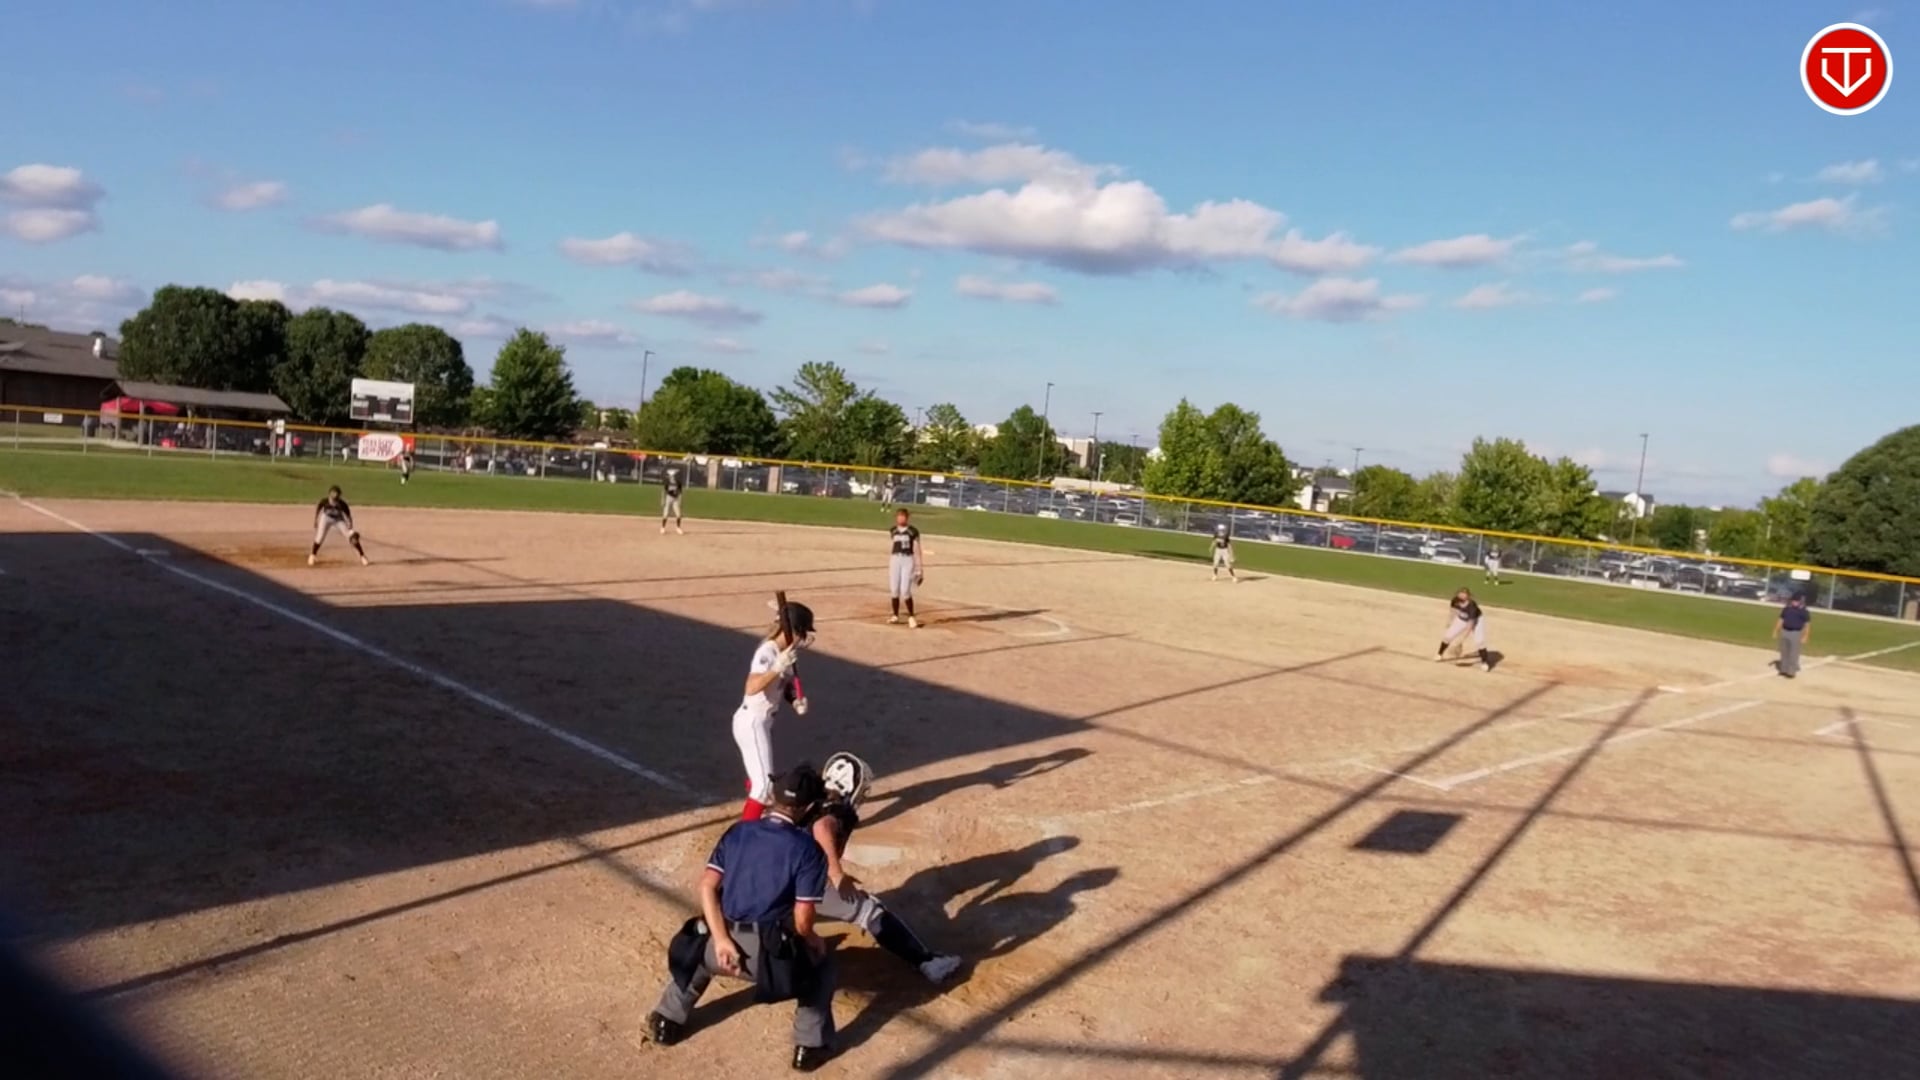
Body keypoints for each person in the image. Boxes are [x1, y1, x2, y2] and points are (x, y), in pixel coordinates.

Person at [648, 765, 839, 1073]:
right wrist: (814, 940)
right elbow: (803, 920)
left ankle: (665, 1021)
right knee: (822, 967)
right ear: (808, 808)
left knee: (695, 950)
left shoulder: (739, 831)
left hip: (718, 952)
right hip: (768, 961)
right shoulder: (809, 851)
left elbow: (707, 886)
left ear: (774, 797)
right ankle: (809, 1047)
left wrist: (721, 940)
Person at [805, 751, 961, 984]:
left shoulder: (804, 797)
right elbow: (822, 828)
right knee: (871, 911)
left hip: (768, 876)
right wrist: (836, 874)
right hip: (801, 881)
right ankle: (928, 962)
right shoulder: (838, 810)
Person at [736, 600, 815, 821]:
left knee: (762, 780)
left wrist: (795, 700)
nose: (802, 639)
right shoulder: (768, 652)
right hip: (752, 722)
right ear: (793, 631)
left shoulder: (783, 653)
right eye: (802, 633)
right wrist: (776, 667)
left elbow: (783, 685)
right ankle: (747, 833)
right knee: (763, 789)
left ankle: (756, 797)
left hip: (761, 722)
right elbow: (752, 687)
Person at [309, 486, 369, 567]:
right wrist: (316, 520)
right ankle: (312, 555)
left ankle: (362, 556)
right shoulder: (324, 501)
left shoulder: (342, 504)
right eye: (332, 496)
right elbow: (319, 509)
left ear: (339, 497)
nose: (333, 499)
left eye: (335, 497)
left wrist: (350, 525)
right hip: (326, 518)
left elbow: (348, 515)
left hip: (338, 520)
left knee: (350, 537)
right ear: (329, 495)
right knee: (320, 537)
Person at [1437, 587, 1491, 672]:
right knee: (1447, 636)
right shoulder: (1455, 600)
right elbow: (1453, 611)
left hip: (1476, 620)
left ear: (1468, 596)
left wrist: (1461, 640)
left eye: (1464, 594)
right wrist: (1450, 621)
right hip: (1461, 619)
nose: (1462, 595)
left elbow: (1470, 625)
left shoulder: (1472, 606)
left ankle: (1484, 663)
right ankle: (1439, 654)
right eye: (1460, 593)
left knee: (1480, 641)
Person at [887, 508, 924, 628]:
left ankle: (911, 616)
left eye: (903, 516)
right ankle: (895, 615)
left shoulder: (913, 531)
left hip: (907, 559)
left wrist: (919, 569)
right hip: (895, 559)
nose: (901, 518)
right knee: (894, 589)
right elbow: (893, 546)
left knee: (905, 590)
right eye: (899, 516)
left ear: (907, 518)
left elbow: (917, 550)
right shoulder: (893, 530)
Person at [1774, 593, 1812, 678]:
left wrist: (1805, 636)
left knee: (1793, 653)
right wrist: (1776, 630)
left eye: (1797, 601)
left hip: (1796, 633)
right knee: (1784, 651)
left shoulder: (1804, 612)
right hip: (1785, 631)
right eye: (1793, 601)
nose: (1795, 602)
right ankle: (1783, 669)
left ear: (1800, 602)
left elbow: (1807, 625)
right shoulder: (1786, 609)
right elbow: (1781, 620)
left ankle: (1791, 672)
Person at [661, 467, 685, 535]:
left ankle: (678, 528)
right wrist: (663, 500)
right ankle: (663, 527)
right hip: (668, 498)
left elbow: (680, 492)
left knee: (679, 515)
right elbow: (664, 491)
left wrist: (680, 500)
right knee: (665, 514)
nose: (671, 477)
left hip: (675, 499)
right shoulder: (667, 482)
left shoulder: (678, 483)